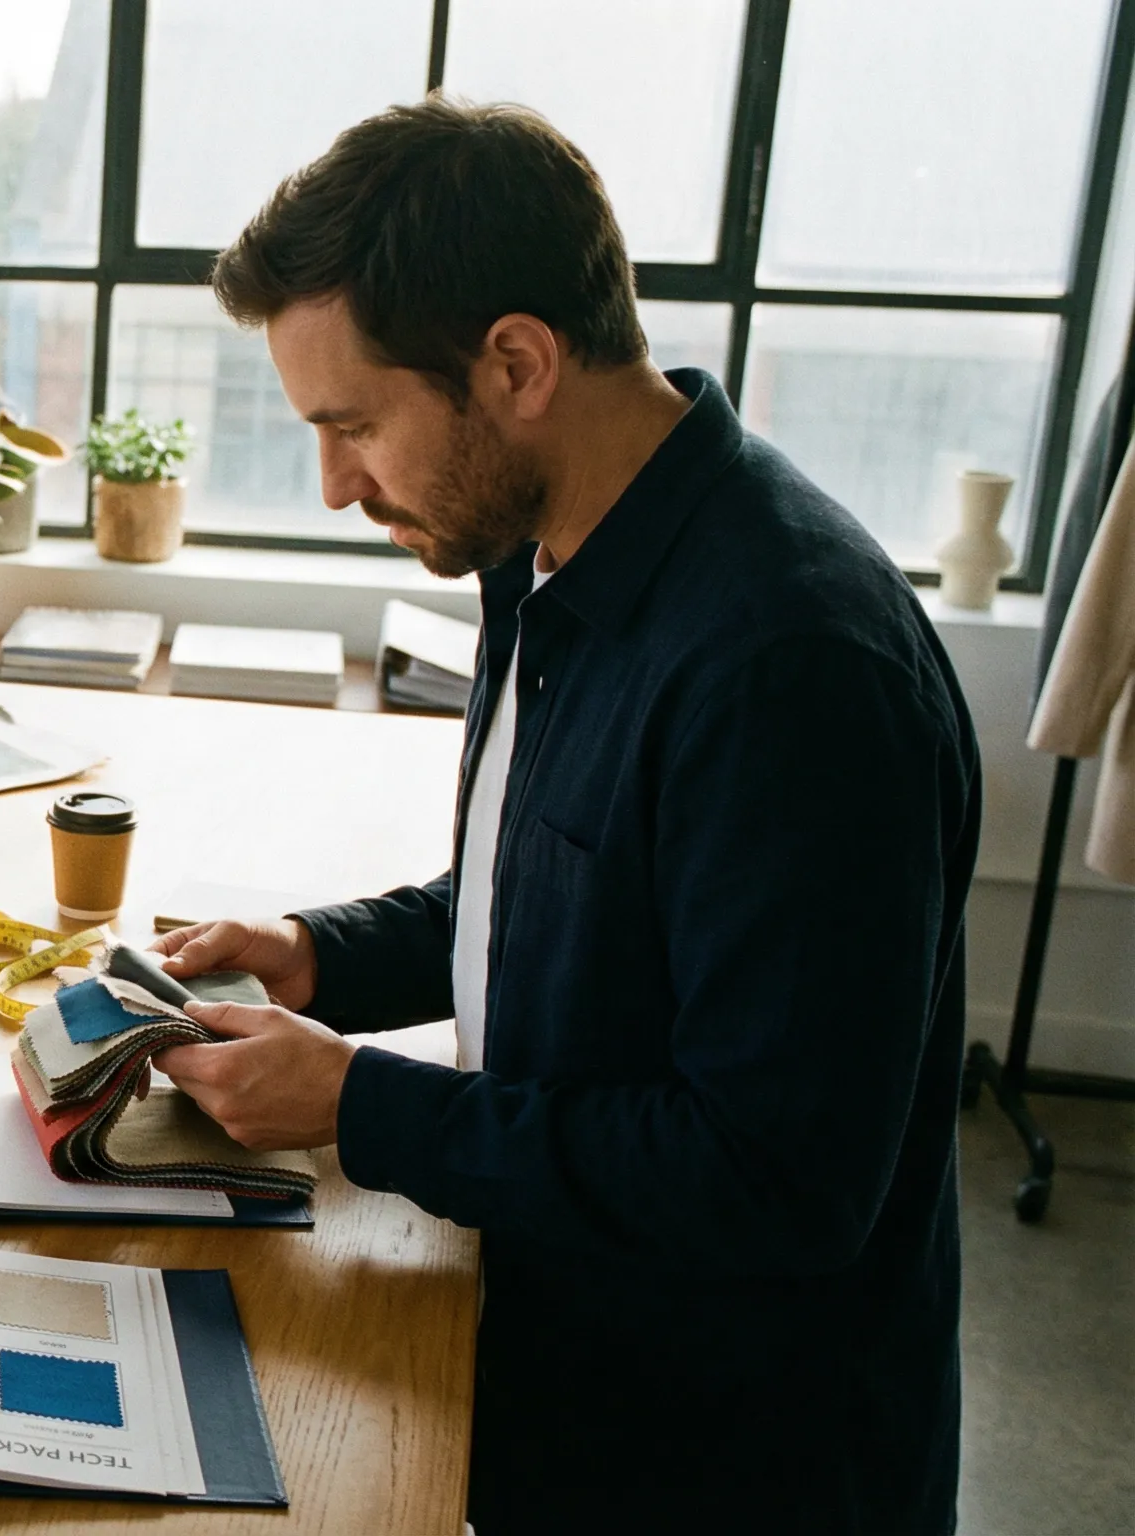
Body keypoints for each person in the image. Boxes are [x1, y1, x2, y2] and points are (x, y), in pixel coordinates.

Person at [149, 101, 977, 1535]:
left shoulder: (793, 669)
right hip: (563, 1370)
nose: (336, 486)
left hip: (729, 1468)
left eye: (355, 426)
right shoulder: (542, 552)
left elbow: (771, 1179)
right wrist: (320, 954)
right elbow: (555, 895)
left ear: (518, 363)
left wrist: (361, 1105)